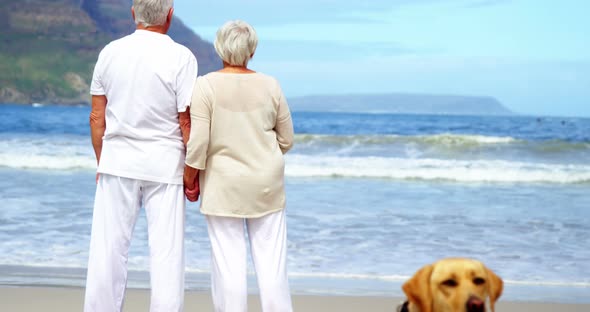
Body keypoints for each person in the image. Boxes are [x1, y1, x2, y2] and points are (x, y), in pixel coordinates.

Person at [84, 0, 198, 311]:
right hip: (165, 164)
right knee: (167, 254)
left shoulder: (109, 52)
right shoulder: (182, 57)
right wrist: (192, 171)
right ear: (170, 16)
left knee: (108, 251)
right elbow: (185, 119)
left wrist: (101, 161)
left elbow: (97, 116)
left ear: (134, 14)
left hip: (118, 161)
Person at [183, 20, 294, 312]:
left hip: (222, 184)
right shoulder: (271, 85)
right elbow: (287, 139)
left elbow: (198, 143)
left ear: (219, 48)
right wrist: (262, 155)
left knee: (228, 264)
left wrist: (190, 178)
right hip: (266, 184)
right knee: (272, 265)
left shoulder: (205, 86)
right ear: (252, 51)